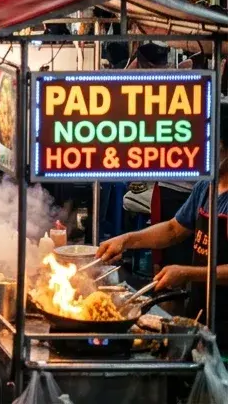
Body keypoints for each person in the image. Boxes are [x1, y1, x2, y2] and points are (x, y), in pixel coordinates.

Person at [96, 119, 228, 341]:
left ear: (222, 146)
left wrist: (186, 273)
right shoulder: (206, 186)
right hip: (203, 310)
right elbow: (174, 229)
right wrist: (126, 240)